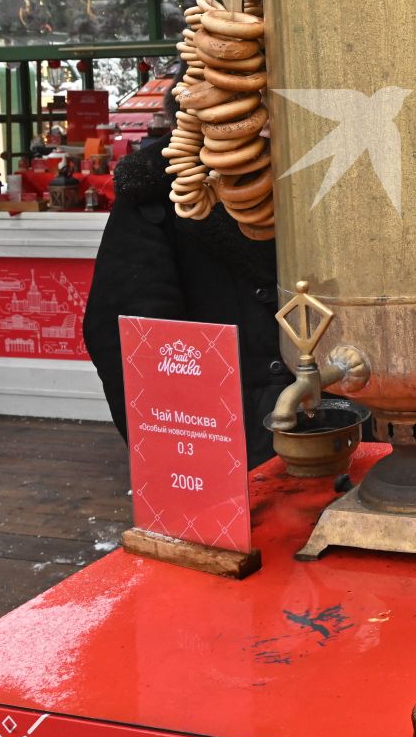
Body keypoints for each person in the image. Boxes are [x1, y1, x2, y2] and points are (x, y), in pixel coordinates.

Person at [83, 73, 288, 468]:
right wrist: (192, 450)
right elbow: (132, 342)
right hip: (229, 446)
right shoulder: (155, 194)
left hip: (343, 430)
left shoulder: (325, 182)